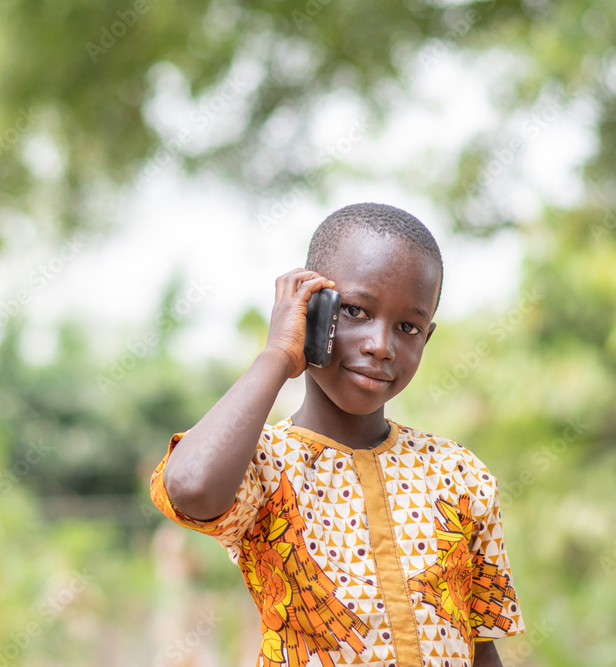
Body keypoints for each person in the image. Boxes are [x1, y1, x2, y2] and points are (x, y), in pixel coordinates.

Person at [149, 203, 525, 666]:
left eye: (407, 326)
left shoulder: (460, 474)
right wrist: (278, 355)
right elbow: (192, 488)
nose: (381, 345)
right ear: (311, 311)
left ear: (426, 337)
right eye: (355, 310)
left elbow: (481, 647)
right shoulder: (266, 463)